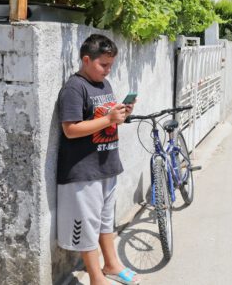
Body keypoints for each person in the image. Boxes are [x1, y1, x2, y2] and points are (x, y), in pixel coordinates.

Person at [56, 34, 139, 285]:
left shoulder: (105, 85)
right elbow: (70, 129)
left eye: (111, 65)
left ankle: (112, 265)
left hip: (106, 165)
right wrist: (110, 119)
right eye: (103, 64)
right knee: (88, 226)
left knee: (105, 221)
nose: (108, 69)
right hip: (83, 171)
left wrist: (121, 114)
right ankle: (95, 278)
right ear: (86, 59)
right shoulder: (74, 88)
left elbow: (104, 120)